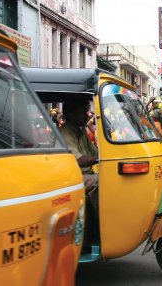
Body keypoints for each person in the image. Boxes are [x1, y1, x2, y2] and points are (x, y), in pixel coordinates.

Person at [59, 99, 99, 245]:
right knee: (99, 182)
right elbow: (78, 160)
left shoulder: (81, 132)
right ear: (70, 114)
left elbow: (95, 152)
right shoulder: (65, 132)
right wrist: (98, 158)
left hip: (84, 174)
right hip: (72, 176)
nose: (86, 115)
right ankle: (104, 225)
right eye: (82, 112)